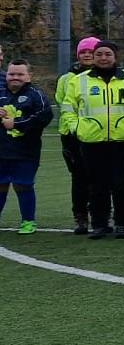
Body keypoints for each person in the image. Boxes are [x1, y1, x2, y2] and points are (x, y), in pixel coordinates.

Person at [60, 38, 124, 239]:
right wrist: (76, 126)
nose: (103, 57)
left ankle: (122, 224)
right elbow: (67, 107)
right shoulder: (79, 80)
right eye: (99, 54)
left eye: (108, 54)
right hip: (91, 140)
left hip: (122, 139)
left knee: (119, 183)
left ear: (116, 57)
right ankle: (100, 224)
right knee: (97, 184)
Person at [0, 59, 53, 234]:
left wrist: (17, 123)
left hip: (25, 152)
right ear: (6, 75)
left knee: (23, 185)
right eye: (11, 74)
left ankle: (28, 221)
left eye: (20, 74)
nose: (15, 77)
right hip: (2, 151)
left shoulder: (35, 95)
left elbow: (45, 116)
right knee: (1, 185)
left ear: (29, 76)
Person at [55, 36, 100, 233]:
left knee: (100, 177)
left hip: (100, 134)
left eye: (91, 51)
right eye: (83, 52)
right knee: (79, 178)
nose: (87, 55)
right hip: (73, 135)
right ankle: (81, 217)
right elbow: (62, 102)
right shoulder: (66, 79)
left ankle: (101, 214)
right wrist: (75, 127)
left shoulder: (108, 76)